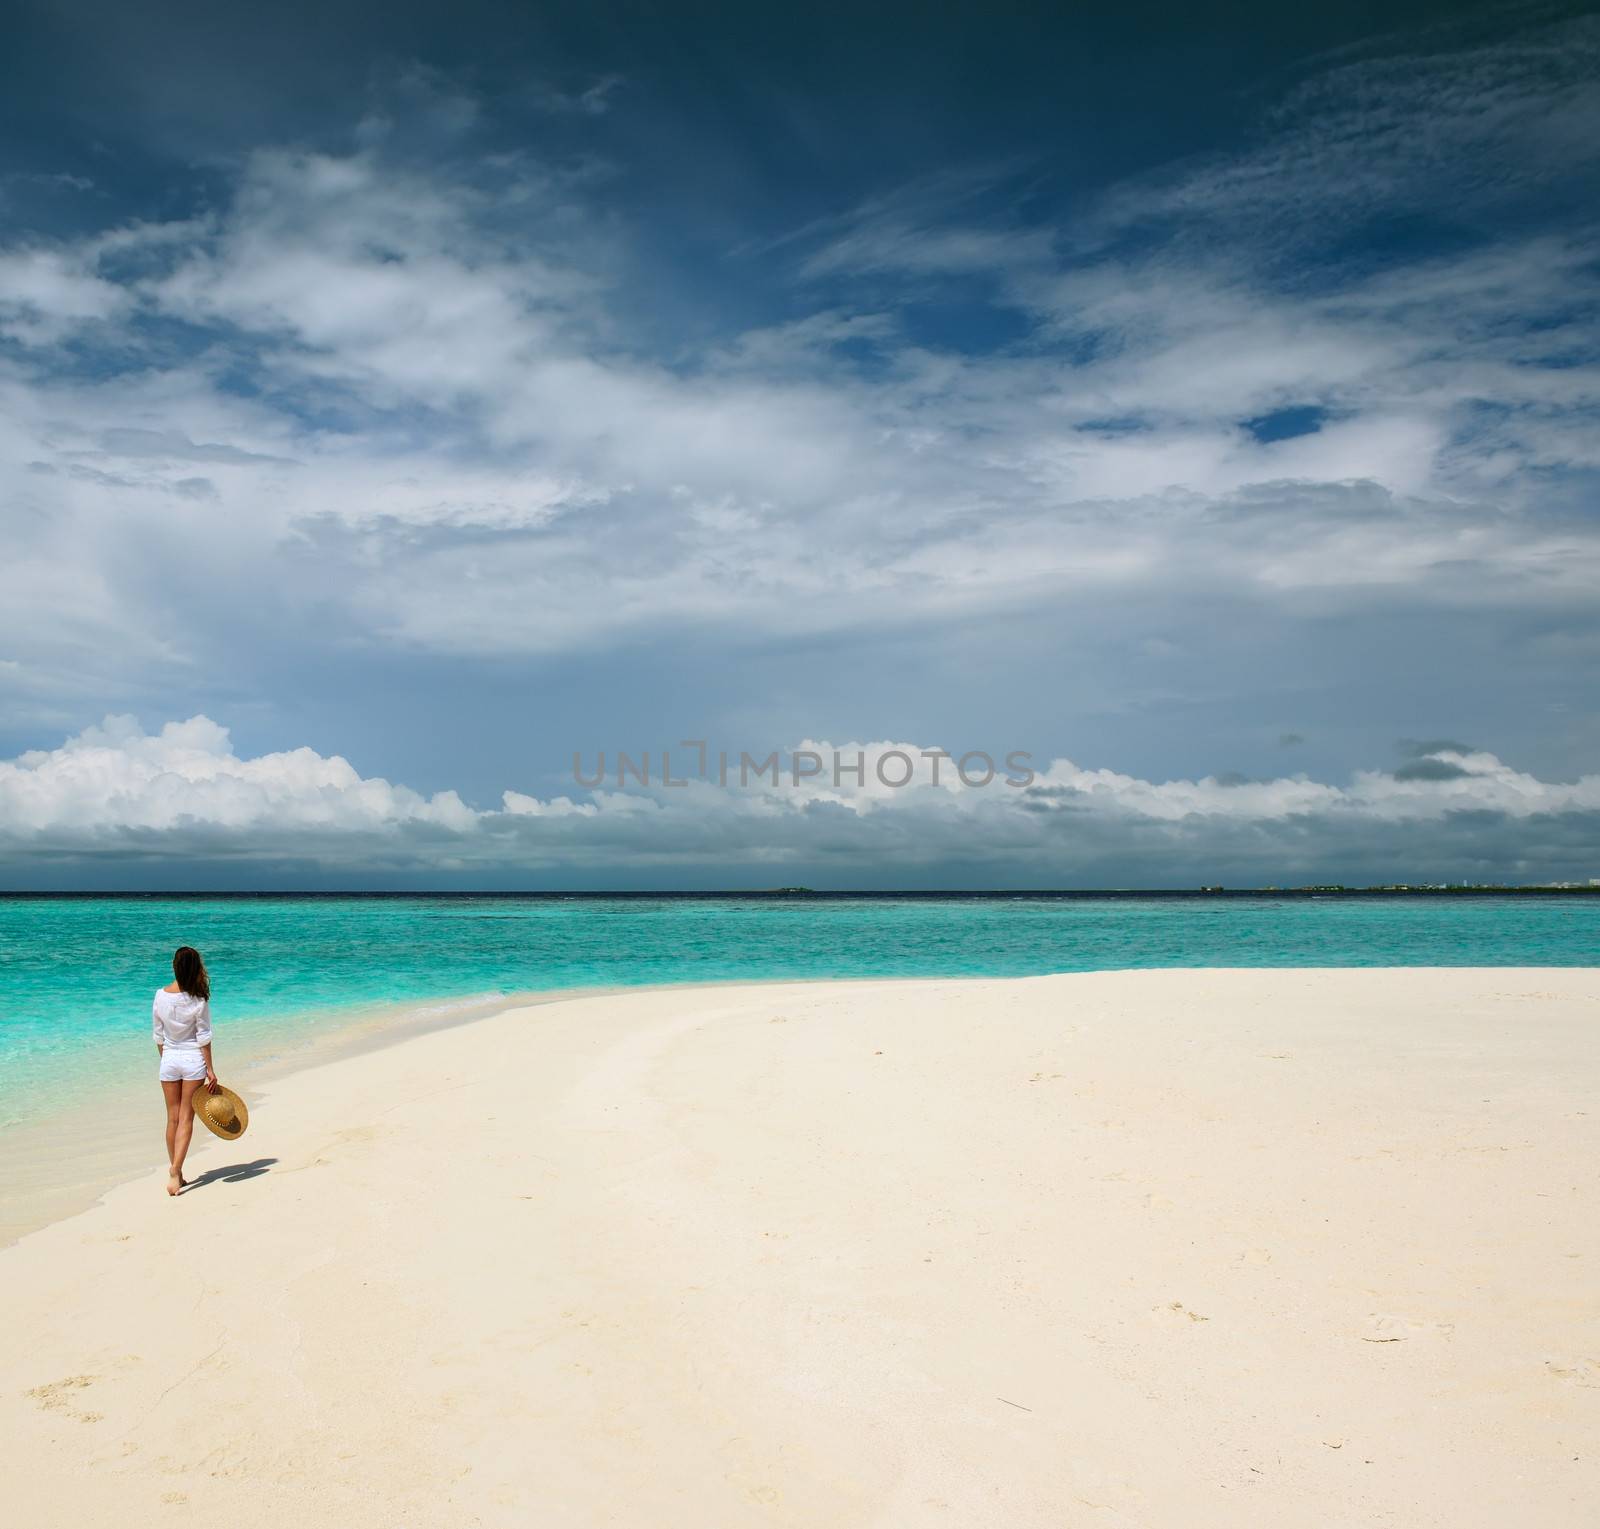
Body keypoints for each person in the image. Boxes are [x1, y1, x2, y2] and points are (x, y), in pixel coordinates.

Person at [153, 946, 219, 1196]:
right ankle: (175, 1170)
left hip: (169, 1059)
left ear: (174, 966)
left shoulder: (159, 995)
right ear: (196, 969)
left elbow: (158, 1035)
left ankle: (176, 1171)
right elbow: (203, 1037)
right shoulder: (198, 999)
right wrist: (210, 1069)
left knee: (172, 1118)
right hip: (193, 1061)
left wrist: (167, 1058)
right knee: (186, 1118)